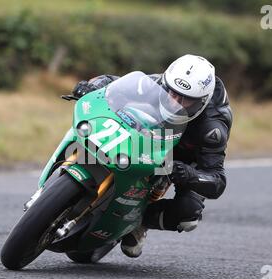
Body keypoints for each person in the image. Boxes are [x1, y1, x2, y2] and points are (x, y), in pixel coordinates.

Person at [72, 54, 233, 258]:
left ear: (201, 102)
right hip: (152, 132)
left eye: (186, 100)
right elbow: (114, 83)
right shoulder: (160, 83)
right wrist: (92, 86)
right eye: (172, 94)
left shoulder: (213, 128)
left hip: (184, 156)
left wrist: (189, 174)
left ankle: (139, 222)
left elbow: (217, 180)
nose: (175, 103)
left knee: (188, 215)